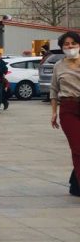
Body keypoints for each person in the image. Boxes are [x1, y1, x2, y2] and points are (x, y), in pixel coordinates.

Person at [50, 31, 80, 197]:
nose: (70, 47)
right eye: (66, 44)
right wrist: (54, 112)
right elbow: (54, 90)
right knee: (77, 148)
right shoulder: (58, 66)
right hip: (68, 108)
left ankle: (75, 183)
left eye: (73, 43)